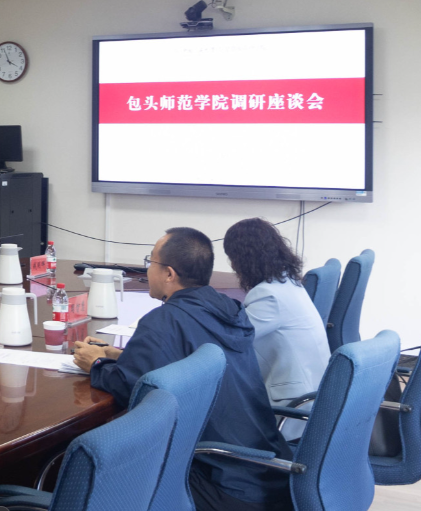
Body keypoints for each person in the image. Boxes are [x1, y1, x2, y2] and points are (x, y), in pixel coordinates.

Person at [72, 227, 293, 511]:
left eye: (150, 261)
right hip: (268, 470)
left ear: (169, 274)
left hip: (223, 482)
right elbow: (186, 357)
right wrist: (121, 355)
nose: (147, 269)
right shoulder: (229, 310)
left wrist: (96, 363)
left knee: (110, 479)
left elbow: (132, 389)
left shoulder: (164, 320)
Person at [223, 217, 330, 437]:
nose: (232, 266)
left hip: (294, 411)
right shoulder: (289, 283)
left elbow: (232, 340)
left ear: (243, 259)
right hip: (316, 396)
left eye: (232, 258)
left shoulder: (268, 295)